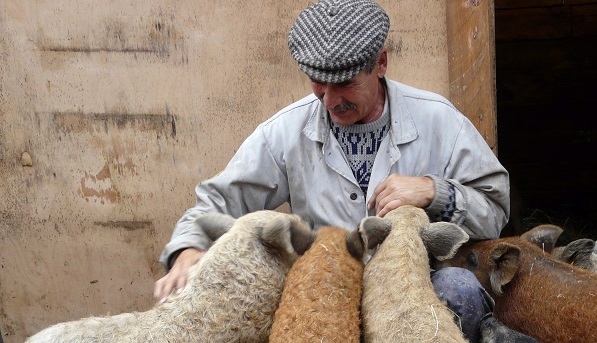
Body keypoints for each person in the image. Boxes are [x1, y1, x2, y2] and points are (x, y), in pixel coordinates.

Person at [154, 0, 510, 303]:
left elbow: (494, 211)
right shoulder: (286, 131)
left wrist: (434, 191)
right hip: (326, 292)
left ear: (381, 63)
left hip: (417, 290)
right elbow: (215, 203)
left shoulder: (439, 120)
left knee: (460, 289)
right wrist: (187, 250)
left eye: (344, 85)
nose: (329, 101)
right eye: (318, 86)